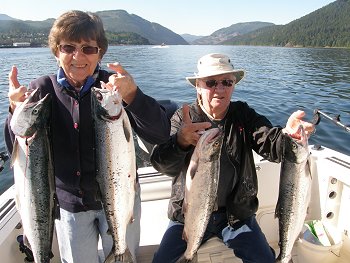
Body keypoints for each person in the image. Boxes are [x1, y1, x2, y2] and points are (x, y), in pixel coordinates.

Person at [5, 10, 170, 263]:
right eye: (68, 47)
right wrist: (15, 111)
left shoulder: (114, 88)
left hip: (120, 197)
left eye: (88, 49)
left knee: (124, 254)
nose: (78, 56)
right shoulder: (41, 90)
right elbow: (17, 150)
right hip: (69, 207)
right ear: (56, 51)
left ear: (100, 52)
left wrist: (133, 96)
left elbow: (159, 132)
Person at [150, 53, 315, 263]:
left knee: (265, 259)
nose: (220, 89)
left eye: (227, 82)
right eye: (211, 83)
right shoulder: (184, 119)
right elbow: (161, 163)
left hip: (236, 215)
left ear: (233, 86)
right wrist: (180, 141)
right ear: (198, 86)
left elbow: (271, 144)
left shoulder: (243, 115)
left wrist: (289, 136)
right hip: (188, 213)